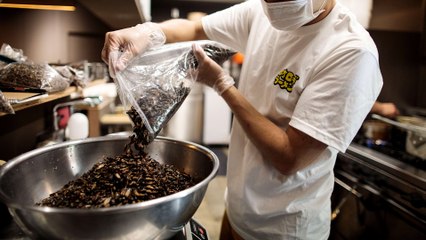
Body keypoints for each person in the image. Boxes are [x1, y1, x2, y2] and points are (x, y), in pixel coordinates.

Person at [101, 0, 383, 239]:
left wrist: (223, 85)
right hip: (236, 208)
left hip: (284, 227)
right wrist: (146, 32)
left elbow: (289, 157)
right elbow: (195, 28)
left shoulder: (350, 52)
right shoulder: (259, 13)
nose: (273, 5)